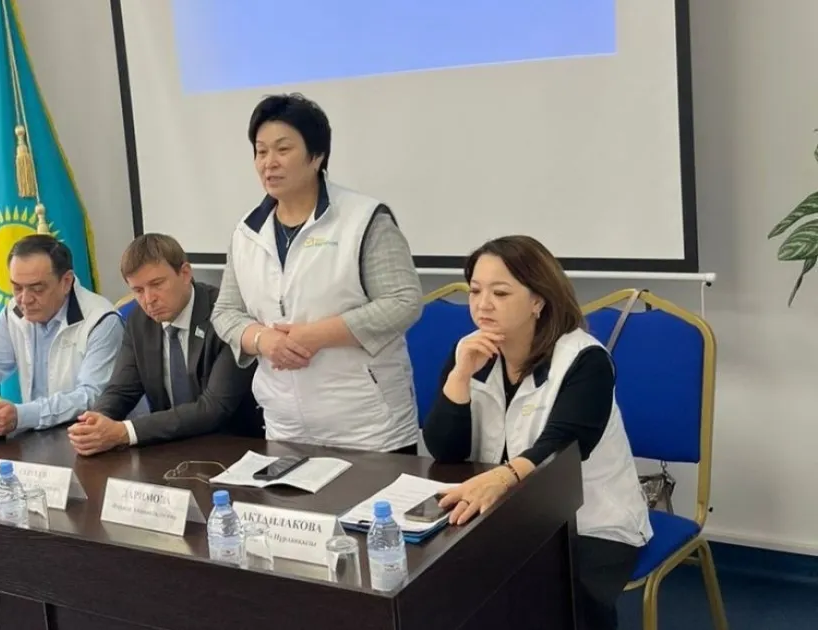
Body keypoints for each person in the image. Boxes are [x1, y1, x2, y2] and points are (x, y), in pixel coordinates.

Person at [422, 235, 651, 630]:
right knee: (441, 578)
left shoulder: (584, 359)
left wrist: (503, 477)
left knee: (550, 594)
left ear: (538, 300)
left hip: (589, 520)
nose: (482, 304)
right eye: (475, 291)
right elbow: (446, 451)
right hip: (509, 512)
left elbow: (565, 445)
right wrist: (460, 375)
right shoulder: (470, 352)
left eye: (500, 292)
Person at [210, 93, 424, 453]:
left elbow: (403, 302)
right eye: (261, 152)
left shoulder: (364, 220)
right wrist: (264, 340)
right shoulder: (247, 231)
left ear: (317, 156)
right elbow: (225, 312)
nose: (269, 163)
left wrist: (314, 336)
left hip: (368, 427)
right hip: (285, 426)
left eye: (283, 149)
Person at [68, 234, 261, 456]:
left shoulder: (226, 315)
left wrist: (124, 431)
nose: (149, 299)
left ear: (185, 273)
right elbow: (122, 389)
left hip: (234, 449)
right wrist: (96, 422)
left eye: (157, 284)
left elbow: (213, 408)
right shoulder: (138, 321)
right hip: (171, 449)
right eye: (138, 290)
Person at [0, 234, 123, 438]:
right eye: (17, 287)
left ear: (66, 282)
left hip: (94, 439)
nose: (25, 300)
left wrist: (22, 415)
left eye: (37, 288)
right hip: (41, 438)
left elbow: (92, 397)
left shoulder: (101, 321)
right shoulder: (15, 312)